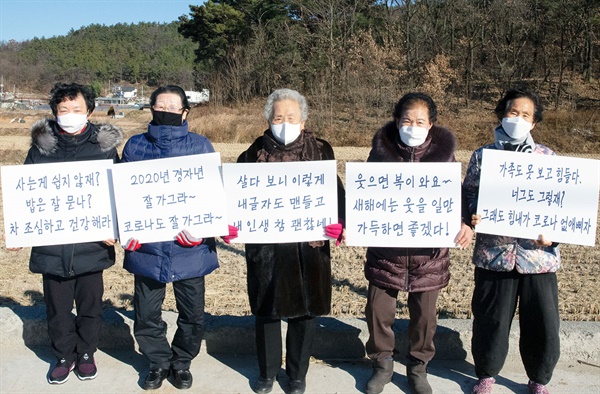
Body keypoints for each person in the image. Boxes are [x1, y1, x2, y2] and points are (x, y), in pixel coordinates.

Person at [120, 85, 237, 391]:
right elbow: (124, 197)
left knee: (193, 314)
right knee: (146, 314)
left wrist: (203, 228)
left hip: (191, 247)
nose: (167, 111)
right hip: (148, 247)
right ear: (151, 109)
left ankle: (182, 361)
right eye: (161, 106)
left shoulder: (200, 146)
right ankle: (158, 361)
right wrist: (126, 232)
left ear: (185, 112)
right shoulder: (134, 147)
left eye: (174, 107)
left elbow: (214, 194)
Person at [363, 92, 473, 394]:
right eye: (407, 120)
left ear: (431, 124)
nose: (413, 126)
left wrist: (465, 224)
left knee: (425, 318)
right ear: (397, 121)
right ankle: (382, 364)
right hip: (386, 252)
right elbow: (366, 198)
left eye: (420, 121)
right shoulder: (381, 153)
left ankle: (418, 367)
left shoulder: (445, 157)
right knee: (377, 312)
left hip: (429, 256)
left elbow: (457, 198)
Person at [237, 88, 345, 394]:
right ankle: (267, 372)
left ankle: (298, 374)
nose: (285, 122)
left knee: (305, 311)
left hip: (308, 248)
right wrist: (231, 224)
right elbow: (237, 197)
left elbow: (334, 192)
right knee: (266, 310)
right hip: (266, 247)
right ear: (269, 119)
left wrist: (341, 222)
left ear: (304, 119)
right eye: (278, 117)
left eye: (291, 117)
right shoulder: (252, 153)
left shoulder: (321, 150)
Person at [14, 82, 123, 384]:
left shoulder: (104, 148)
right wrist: (19, 230)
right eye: (63, 110)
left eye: (76, 109)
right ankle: (63, 355)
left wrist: (113, 226)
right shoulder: (40, 149)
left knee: (90, 306)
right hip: (52, 246)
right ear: (54, 113)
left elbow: (118, 194)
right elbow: (26, 195)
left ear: (90, 111)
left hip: (92, 245)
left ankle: (86, 353)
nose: (70, 115)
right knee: (57, 309)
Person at [463, 87, 560, 394]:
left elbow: (561, 205)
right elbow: (468, 196)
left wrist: (554, 237)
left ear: (534, 122)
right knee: (491, 319)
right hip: (495, 254)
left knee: (542, 323)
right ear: (502, 115)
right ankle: (487, 374)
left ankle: (538, 378)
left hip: (538, 257)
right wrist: (472, 215)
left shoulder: (548, 158)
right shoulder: (483, 156)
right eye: (512, 112)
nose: (517, 119)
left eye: (525, 115)